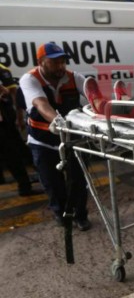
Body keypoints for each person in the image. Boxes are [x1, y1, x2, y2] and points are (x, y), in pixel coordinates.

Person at [19, 42, 92, 231]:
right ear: (41, 62)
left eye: (63, 61)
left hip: (72, 140)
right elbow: (41, 105)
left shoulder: (74, 78)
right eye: (55, 62)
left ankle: (80, 215)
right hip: (42, 140)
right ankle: (61, 213)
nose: (61, 66)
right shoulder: (30, 79)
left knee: (78, 179)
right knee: (52, 181)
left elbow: (95, 97)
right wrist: (60, 122)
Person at [0, 64, 42, 196]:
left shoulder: (2, 70)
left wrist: (18, 116)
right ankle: (25, 186)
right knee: (12, 155)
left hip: (6, 121)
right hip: (3, 123)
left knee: (17, 151)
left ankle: (32, 180)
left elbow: (9, 92)